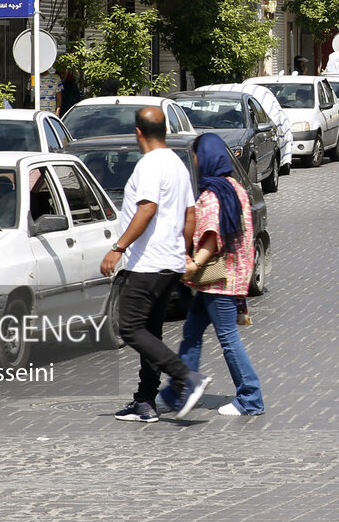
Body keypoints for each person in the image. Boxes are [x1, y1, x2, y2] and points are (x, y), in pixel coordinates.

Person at [101, 106, 209, 423]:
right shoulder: (177, 164)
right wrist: (186, 251)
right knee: (151, 332)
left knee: (129, 328)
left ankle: (186, 377)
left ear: (138, 133)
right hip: (171, 261)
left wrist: (118, 248)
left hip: (148, 263)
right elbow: (190, 214)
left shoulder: (149, 165)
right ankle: (145, 401)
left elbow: (146, 209)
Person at [158, 133, 264, 416]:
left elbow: (212, 235)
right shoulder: (235, 188)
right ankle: (179, 389)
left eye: (194, 156)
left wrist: (194, 263)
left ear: (204, 157)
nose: (193, 161)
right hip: (229, 274)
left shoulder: (212, 193)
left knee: (228, 338)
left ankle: (250, 397)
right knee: (191, 331)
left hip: (218, 277)